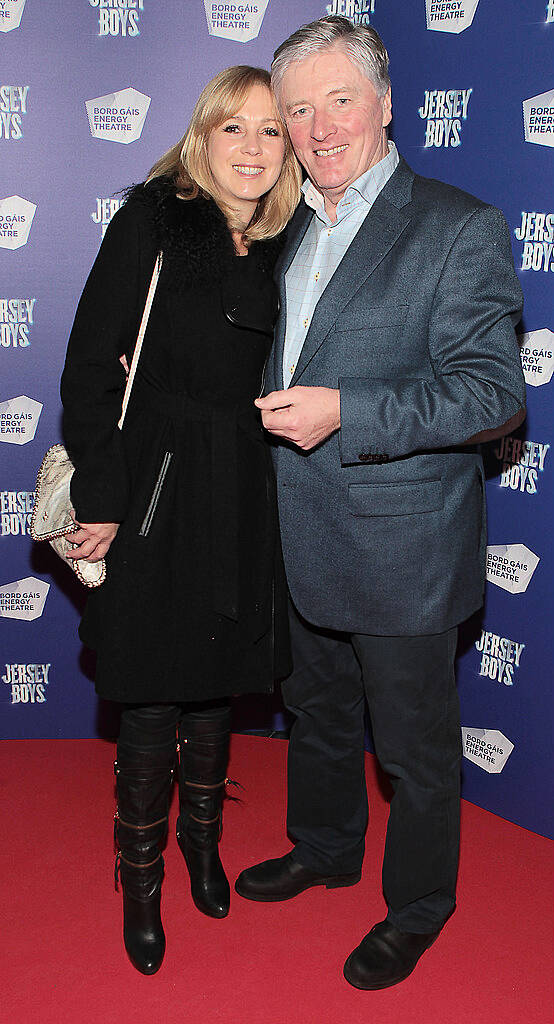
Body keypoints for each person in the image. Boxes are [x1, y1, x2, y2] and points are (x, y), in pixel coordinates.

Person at [234, 17, 526, 990]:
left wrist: (347, 411)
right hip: (293, 531)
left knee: (410, 747)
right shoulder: (274, 227)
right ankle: (324, 846)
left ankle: (418, 905)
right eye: (298, 111)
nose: (317, 129)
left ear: (385, 106)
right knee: (312, 711)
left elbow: (492, 395)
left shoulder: (457, 225)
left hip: (400, 545)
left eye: (339, 101)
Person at [60, 65, 301, 975]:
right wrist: (106, 503)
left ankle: (204, 843)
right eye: (233, 128)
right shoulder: (154, 220)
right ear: (201, 138)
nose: (251, 146)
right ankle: (142, 873)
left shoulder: (289, 240)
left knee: (217, 683)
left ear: (289, 151)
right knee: (157, 688)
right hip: (158, 480)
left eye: (272, 131)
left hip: (246, 481)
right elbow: (89, 369)